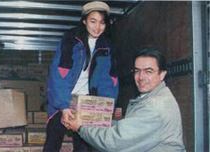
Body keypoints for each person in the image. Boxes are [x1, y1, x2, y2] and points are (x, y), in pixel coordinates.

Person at [65, 48, 186, 152]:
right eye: (137, 71)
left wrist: (81, 128)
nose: (141, 77)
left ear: (162, 74)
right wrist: (87, 120)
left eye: (149, 71)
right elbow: (127, 126)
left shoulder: (154, 106)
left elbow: (115, 141)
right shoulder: (154, 96)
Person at [43, 1, 119, 152]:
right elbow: (60, 74)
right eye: (93, 21)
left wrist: (106, 108)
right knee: (53, 141)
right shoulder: (71, 39)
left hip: (86, 101)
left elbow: (109, 81)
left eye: (102, 23)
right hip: (63, 99)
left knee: (83, 146)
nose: (97, 27)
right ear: (84, 21)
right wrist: (64, 107)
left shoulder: (106, 46)